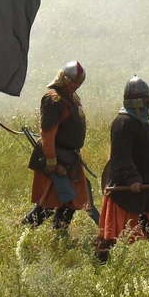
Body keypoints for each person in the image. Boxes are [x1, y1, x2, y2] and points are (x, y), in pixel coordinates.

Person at [94, 76, 149, 267]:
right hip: (127, 189)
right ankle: (98, 265)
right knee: (111, 234)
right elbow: (120, 156)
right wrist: (132, 179)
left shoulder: (138, 120)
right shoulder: (123, 122)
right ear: (139, 100)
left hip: (144, 187)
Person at [22, 61, 93, 232]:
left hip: (70, 158)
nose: (76, 86)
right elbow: (48, 134)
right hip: (57, 158)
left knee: (70, 201)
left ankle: (59, 232)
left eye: (78, 83)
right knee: (50, 202)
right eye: (73, 82)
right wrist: (52, 162)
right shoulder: (54, 99)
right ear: (64, 78)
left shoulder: (72, 98)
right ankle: (25, 231)